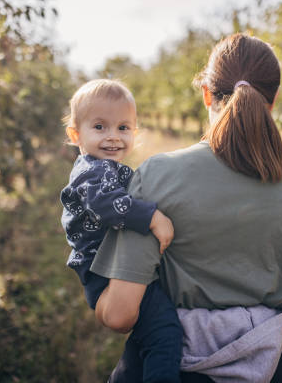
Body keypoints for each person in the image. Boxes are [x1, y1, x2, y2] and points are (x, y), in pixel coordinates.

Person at [92, 34, 282, 382]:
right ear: (272, 101)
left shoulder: (158, 175)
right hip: (266, 367)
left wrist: (96, 297)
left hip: (168, 366)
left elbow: (120, 314)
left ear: (207, 93)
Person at [59, 79, 182, 383]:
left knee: (148, 333)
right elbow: (105, 203)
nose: (113, 137)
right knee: (166, 334)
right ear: (75, 135)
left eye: (123, 128)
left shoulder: (106, 168)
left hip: (109, 266)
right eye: (99, 127)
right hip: (104, 270)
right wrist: (152, 216)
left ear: (135, 132)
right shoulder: (93, 171)